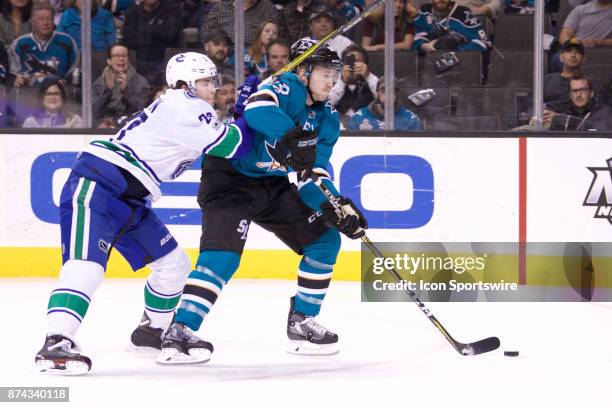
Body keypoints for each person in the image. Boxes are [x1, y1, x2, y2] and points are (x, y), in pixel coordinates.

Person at [33, 52, 254, 375]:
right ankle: (56, 342)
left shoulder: (186, 109)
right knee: (86, 266)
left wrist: (238, 115)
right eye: (206, 81)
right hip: (98, 184)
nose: (213, 88)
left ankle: (152, 331)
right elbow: (233, 146)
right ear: (186, 84)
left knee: (173, 263)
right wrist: (249, 115)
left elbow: (220, 137)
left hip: (130, 196)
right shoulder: (185, 104)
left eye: (213, 81)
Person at [156, 38, 368, 364]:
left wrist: (334, 204)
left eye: (335, 74)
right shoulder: (286, 87)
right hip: (229, 181)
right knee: (222, 259)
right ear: (304, 71)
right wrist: (289, 135)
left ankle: (301, 322)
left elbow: (313, 176)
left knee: (325, 241)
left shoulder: (327, 119)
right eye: (324, 73)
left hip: (272, 184)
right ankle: (180, 330)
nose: (331, 81)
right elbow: (257, 110)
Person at [9, 1, 79, 87]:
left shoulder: (67, 42)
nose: (46, 23)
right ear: (32, 21)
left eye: (49, 19)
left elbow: (75, 71)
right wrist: (17, 78)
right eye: (41, 19)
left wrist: (65, 81)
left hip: (59, 93)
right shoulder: (20, 44)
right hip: (28, 95)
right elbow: (13, 74)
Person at [122, 0, 182, 86]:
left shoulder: (172, 9)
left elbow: (170, 34)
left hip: (163, 60)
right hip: (138, 61)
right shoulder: (132, 12)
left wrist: (142, 31)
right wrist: (156, 30)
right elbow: (128, 40)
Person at [92, 44, 150, 125]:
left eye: (124, 56)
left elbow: (143, 109)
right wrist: (107, 90)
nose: (121, 59)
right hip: (104, 125)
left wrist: (126, 91)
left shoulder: (140, 82)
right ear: (109, 60)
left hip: (130, 125)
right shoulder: (100, 82)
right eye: (117, 56)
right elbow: (93, 111)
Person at [411, 0, 490, 53]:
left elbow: (482, 42)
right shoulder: (425, 11)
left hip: (460, 65)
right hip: (430, 63)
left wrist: (457, 52)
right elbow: (417, 37)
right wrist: (423, 46)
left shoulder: (464, 14)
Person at [348, 76, 422, 130]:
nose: (388, 94)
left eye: (393, 91)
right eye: (383, 91)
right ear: (377, 93)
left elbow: (416, 146)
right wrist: (362, 136)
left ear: (398, 94)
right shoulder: (359, 116)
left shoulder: (410, 119)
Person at [198, 0, 279, 46]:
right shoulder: (221, 7)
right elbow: (206, 33)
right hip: (224, 55)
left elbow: (277, 36)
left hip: (256, 55)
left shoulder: (267, 7)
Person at [329, 44, 378, 117]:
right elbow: (324, 105)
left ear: (365, 64)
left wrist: (369, 76)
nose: (353, 65)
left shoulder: (372, 82)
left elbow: (386, 101)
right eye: (350, 61)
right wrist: (342, 82)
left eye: (358, 61)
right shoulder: (333, 83)